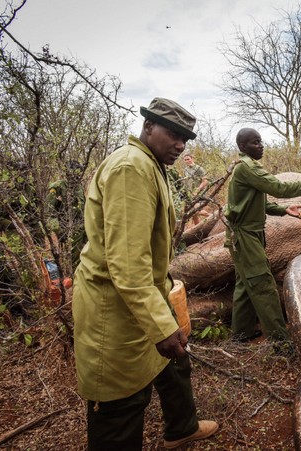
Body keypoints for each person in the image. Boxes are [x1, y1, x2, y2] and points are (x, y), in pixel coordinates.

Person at [72, 97, 218, 450]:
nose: (180, 145)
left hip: (141, 295)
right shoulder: (132, 168)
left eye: (186, 138)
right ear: (148, 125)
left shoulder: (151, 164)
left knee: (174, 365)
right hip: (115, 306)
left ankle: (182, 428)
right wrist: (160, 323)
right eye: (173, 134)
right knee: (121, 402)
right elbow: (126, 262)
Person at [224, 127, 301, 347]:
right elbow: (279, 188)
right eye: (255, 142)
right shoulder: (247, 168)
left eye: (261, 141)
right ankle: (281, 343)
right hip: (244, 235)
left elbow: (259, 202)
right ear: (243, 147)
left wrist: (284, 210)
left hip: (249, 233)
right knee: (262, 283)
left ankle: (241, 333)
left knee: (246, 283)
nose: (261, 145)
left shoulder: (249, 168)